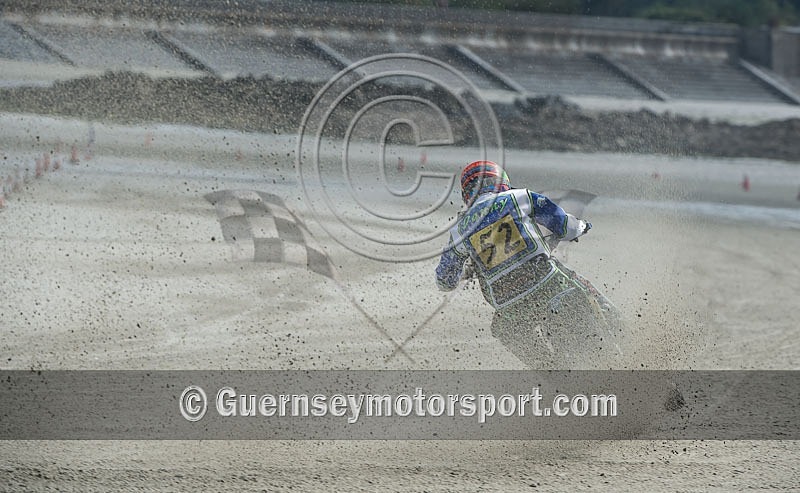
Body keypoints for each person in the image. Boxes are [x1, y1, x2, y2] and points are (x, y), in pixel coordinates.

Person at [435, 160, 621, 368]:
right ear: (501, 182)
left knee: (504, 330)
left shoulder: (459, 230)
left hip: (509, 306)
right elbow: (566, 226)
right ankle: (622, 335)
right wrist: (583, 227)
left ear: (466, 193)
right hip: (547, 283)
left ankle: (552, 375)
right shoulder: (519, 197)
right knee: (589, 293)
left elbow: (445, 281)